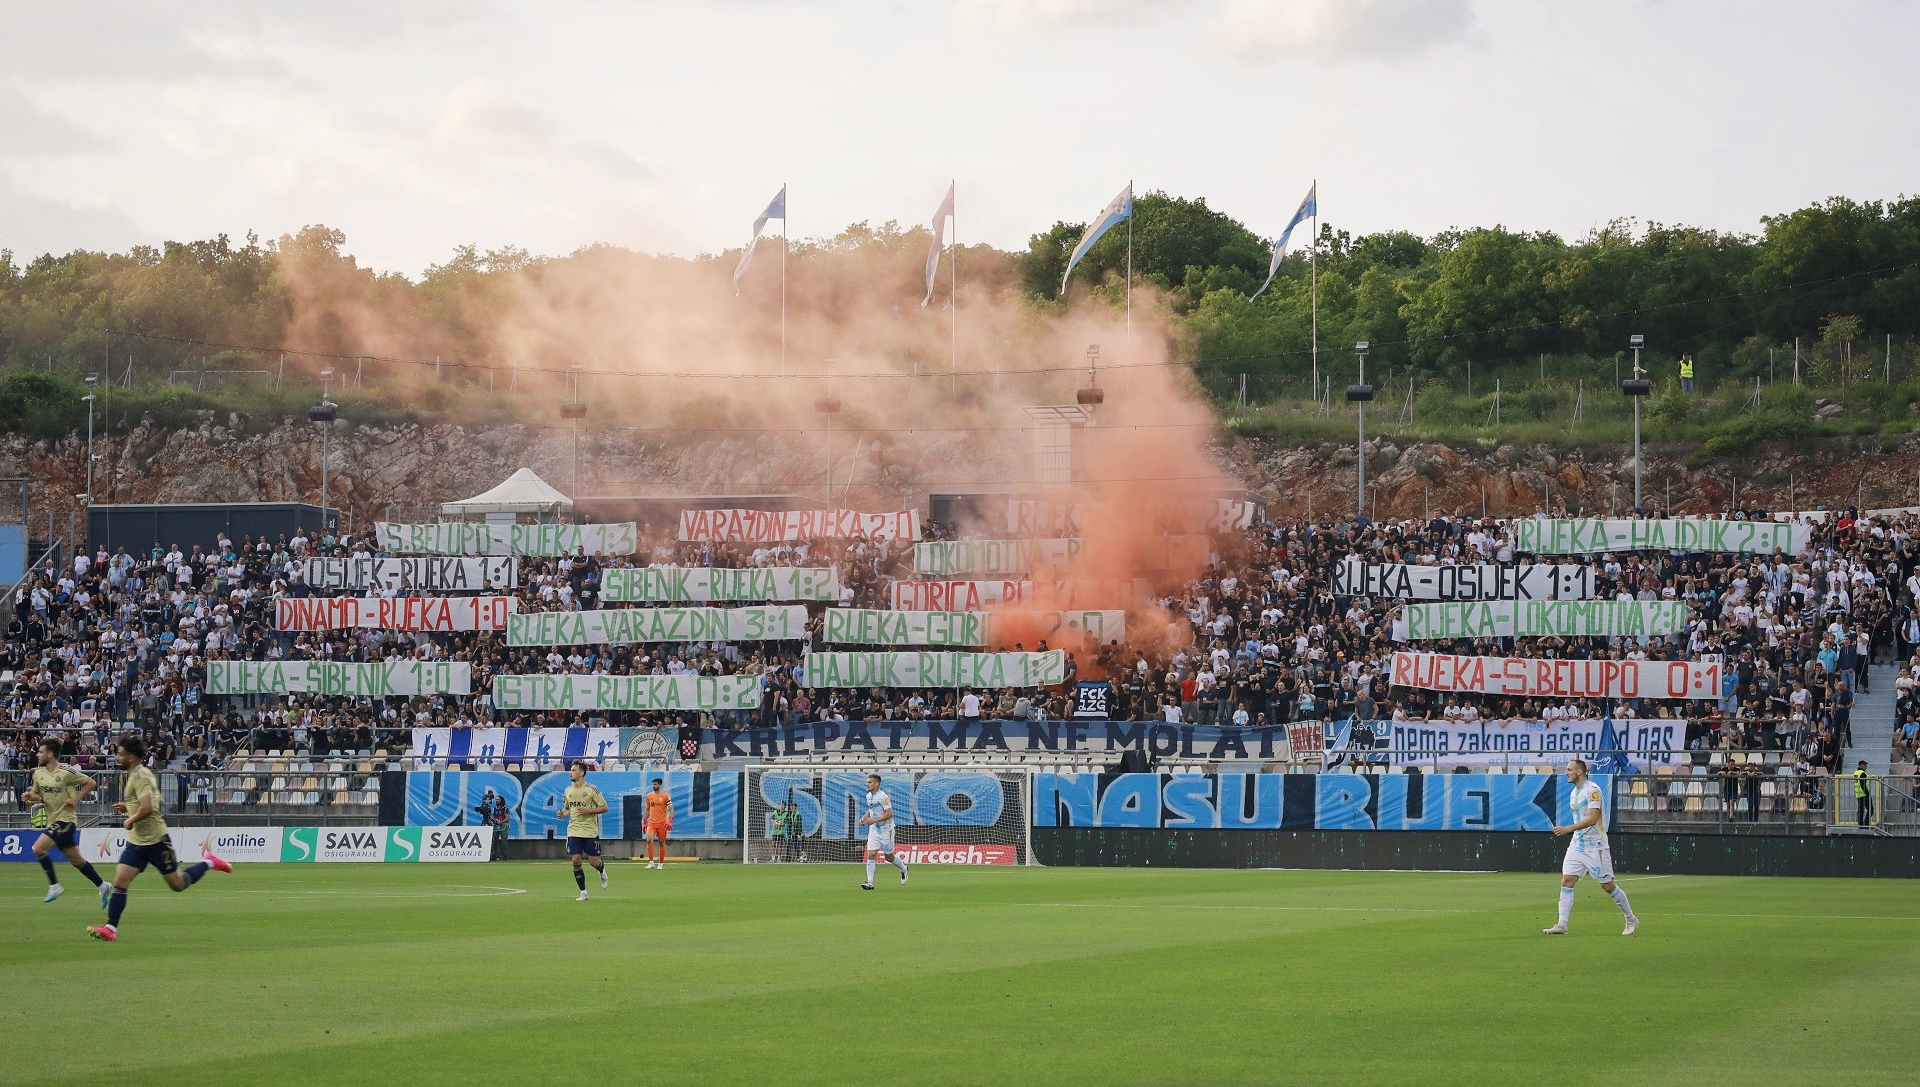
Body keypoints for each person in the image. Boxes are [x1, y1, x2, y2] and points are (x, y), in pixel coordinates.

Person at [87, 735, 232, 942]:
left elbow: (149, 808)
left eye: (120, 754)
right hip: (138, 841)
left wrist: (130, 819)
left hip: (156, 840)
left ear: (132, 756)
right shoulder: (135, 775)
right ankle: (111, 928)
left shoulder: (140, 776)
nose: (117, 757)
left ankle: (210, 861)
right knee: (120, 881)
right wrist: (128, 808)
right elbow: (153, 802)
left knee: (178, 884)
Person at [1543, 758, 1638, 936]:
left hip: (1596, 846)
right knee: (1567, 881)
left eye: (1570, 770)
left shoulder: (1593, 790)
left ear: (1580, 771)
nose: (1566, 773)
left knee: (1608, 886)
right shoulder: (1574, 793)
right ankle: (1562, 924)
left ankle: (1631, 919)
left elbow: (1593, 819)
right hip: (1577, 845)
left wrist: (1568, 829)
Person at [21, 739, 107, 903]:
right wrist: (29, 797)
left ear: (50, 754)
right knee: (77, 861)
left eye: (40, 751)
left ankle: (55, 886)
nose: (37, 754)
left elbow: (91, 783)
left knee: (38, 848)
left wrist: (76, 799)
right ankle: (102, 885)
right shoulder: (39, 774)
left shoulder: (66, 771)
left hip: (66, 820)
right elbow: (38, 795)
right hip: (53, 820)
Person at [559, 761, 609, 901]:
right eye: (571, 770)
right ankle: (583, 892)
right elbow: (568, 808)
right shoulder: (568, 790)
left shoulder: (592, 790)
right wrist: (563, 813)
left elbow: (604, 807)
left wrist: (589, 810)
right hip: (573, 830)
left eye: (574, 770)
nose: (571, 772)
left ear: (581, 772)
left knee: (593, 861)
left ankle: (601, 869)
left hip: (590, 831)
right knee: (575, 859)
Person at [857, 773, 909, 891]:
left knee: (889, 857)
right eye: (867, 782)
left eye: (869, 782)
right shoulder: (868, 796)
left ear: (876, 783)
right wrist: (864, 817)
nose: (867, 784)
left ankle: (904, 868)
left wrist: (873, 820)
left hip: (887, 830)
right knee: (871, 854)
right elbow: (871, 809)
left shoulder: (883, 797)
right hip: (874, 829)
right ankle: (870, 882)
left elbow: (889, 814)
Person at [641, 777, 673, 870]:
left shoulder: (665, 796)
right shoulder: (649, 796)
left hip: (662, 823)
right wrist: (643, 821)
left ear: (659, 785)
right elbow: (647, 810)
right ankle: (651, 862)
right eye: (653, 784)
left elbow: (671, 808)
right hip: (652, 823)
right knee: (649, 840)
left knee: (661, 843)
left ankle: (661, 863)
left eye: (655, 784)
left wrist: (670, 820)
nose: (653, 786)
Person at [1854, 760, 1872, 828]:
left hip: (1858, 794)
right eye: (1865, 765)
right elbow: (1863, 785)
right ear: (1861, 765)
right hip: (1864, 795)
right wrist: (1868, 793)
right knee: (1871, 810)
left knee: (1861, 811)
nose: (1866, 766)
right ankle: (1865, 825)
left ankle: (1861, 826)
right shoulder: (1862, 773)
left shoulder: (1856, 773)